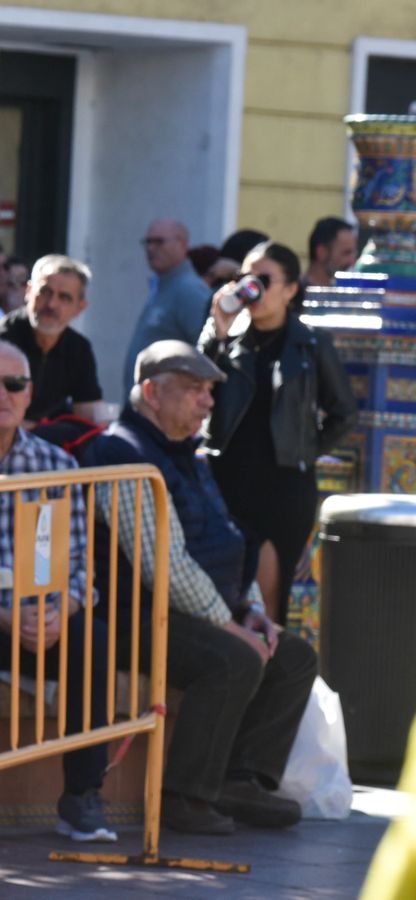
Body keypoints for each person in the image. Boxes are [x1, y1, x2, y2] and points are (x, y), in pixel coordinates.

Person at [80, 340, 318, 835]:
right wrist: (231, 626)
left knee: (295, 656)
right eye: (194, 390)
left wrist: (250, 609)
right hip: (135, 618)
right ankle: (184, 796)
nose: (208, 402)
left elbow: (230, 540)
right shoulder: (120, 452)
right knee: (234, 659)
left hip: (196, 612)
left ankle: (240, 779)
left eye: (209, 391)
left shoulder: (190, 453)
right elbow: (162, 566)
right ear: (151, 392)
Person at [0, 339, 116, 846]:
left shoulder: (57, 463)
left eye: (13, 384)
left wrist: (66, 608)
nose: (1, 395)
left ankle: (83, 796)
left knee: (91, 637)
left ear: (30, 393)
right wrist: (3, 616)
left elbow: (79, 563)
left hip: (39, 618)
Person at [201, 241, 356, 623]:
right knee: (224, 591)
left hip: (283, 486)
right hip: (227, 480)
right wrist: (215, 331)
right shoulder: (227, 339)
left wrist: (304, 449)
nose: (251, 288)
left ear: (290, 289)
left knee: (268, 594)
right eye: (244, 278)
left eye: (263, 279)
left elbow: (344, 413)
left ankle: (269, 677)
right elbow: (194, 388)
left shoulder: (312, 343)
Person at [0, 254, 108, 425]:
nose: (51, 304)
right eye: (45, 292)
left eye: (64, 297)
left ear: (80, 307)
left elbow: (90, 416)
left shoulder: (79, 348)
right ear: (28, 292)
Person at [122, 218, 210, 395]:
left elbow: (207, 352)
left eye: (159, 242)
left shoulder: (189, 290)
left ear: (183, 244)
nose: (151, 248)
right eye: (148, 242)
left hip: (165, 409)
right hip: (149, 407)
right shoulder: (165, 284)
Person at [304, 216, 356, 288]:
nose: (352, 261)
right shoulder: (294, 296)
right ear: (322, 252)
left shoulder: (340, 294)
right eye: (346, 253)